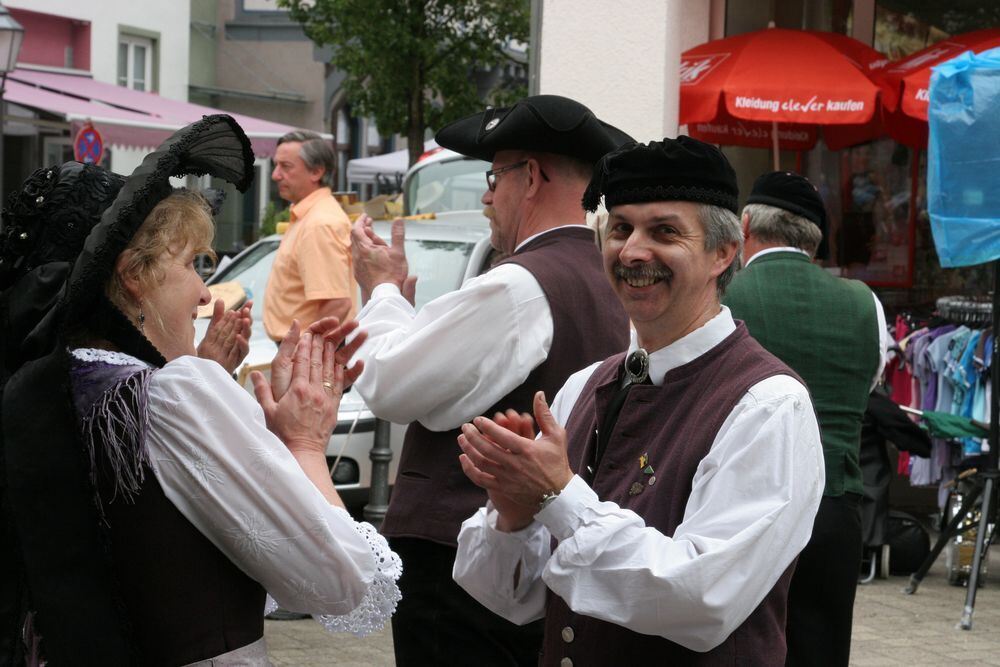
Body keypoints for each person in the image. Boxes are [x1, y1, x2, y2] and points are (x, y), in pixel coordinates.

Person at [1, 116, 400, 665]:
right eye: (191, 264)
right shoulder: (173, 395)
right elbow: (348, 584)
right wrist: (303, 443)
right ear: (134, 276)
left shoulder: (47, 384)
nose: (204, 293)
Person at [452, 137, 825, 665]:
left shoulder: (769, 404)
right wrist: (514, 514)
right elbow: (516, 600)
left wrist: (558, 497)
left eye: (664, 231)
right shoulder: (584, 385)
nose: (631, 252)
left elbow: (701, 600)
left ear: (723, 253)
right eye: (621, 228)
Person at [350, 94, 632, 665]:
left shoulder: (517, 286)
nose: (486, 195)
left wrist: (380, 289)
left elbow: (387, 383)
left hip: (464, 566)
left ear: (529, 178)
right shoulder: (604, 278)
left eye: (494, 176)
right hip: (532, 554)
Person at [722, 170, 888, 666]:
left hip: (742, 503)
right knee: (821, 647)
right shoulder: (865, 303)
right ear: (815, 238)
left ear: (745, 224)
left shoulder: (719, 296)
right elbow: (870, 382)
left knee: (741, 647)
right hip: (834, 505)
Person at [263, 129, 357, 342]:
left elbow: (337, 304)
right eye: (276, 165)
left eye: (285, 166)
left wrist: (301, 356)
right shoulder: (311, 216)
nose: (275, 175)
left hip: (307, 352)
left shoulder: (319, 223)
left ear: (316, 172)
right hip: (307, 349)